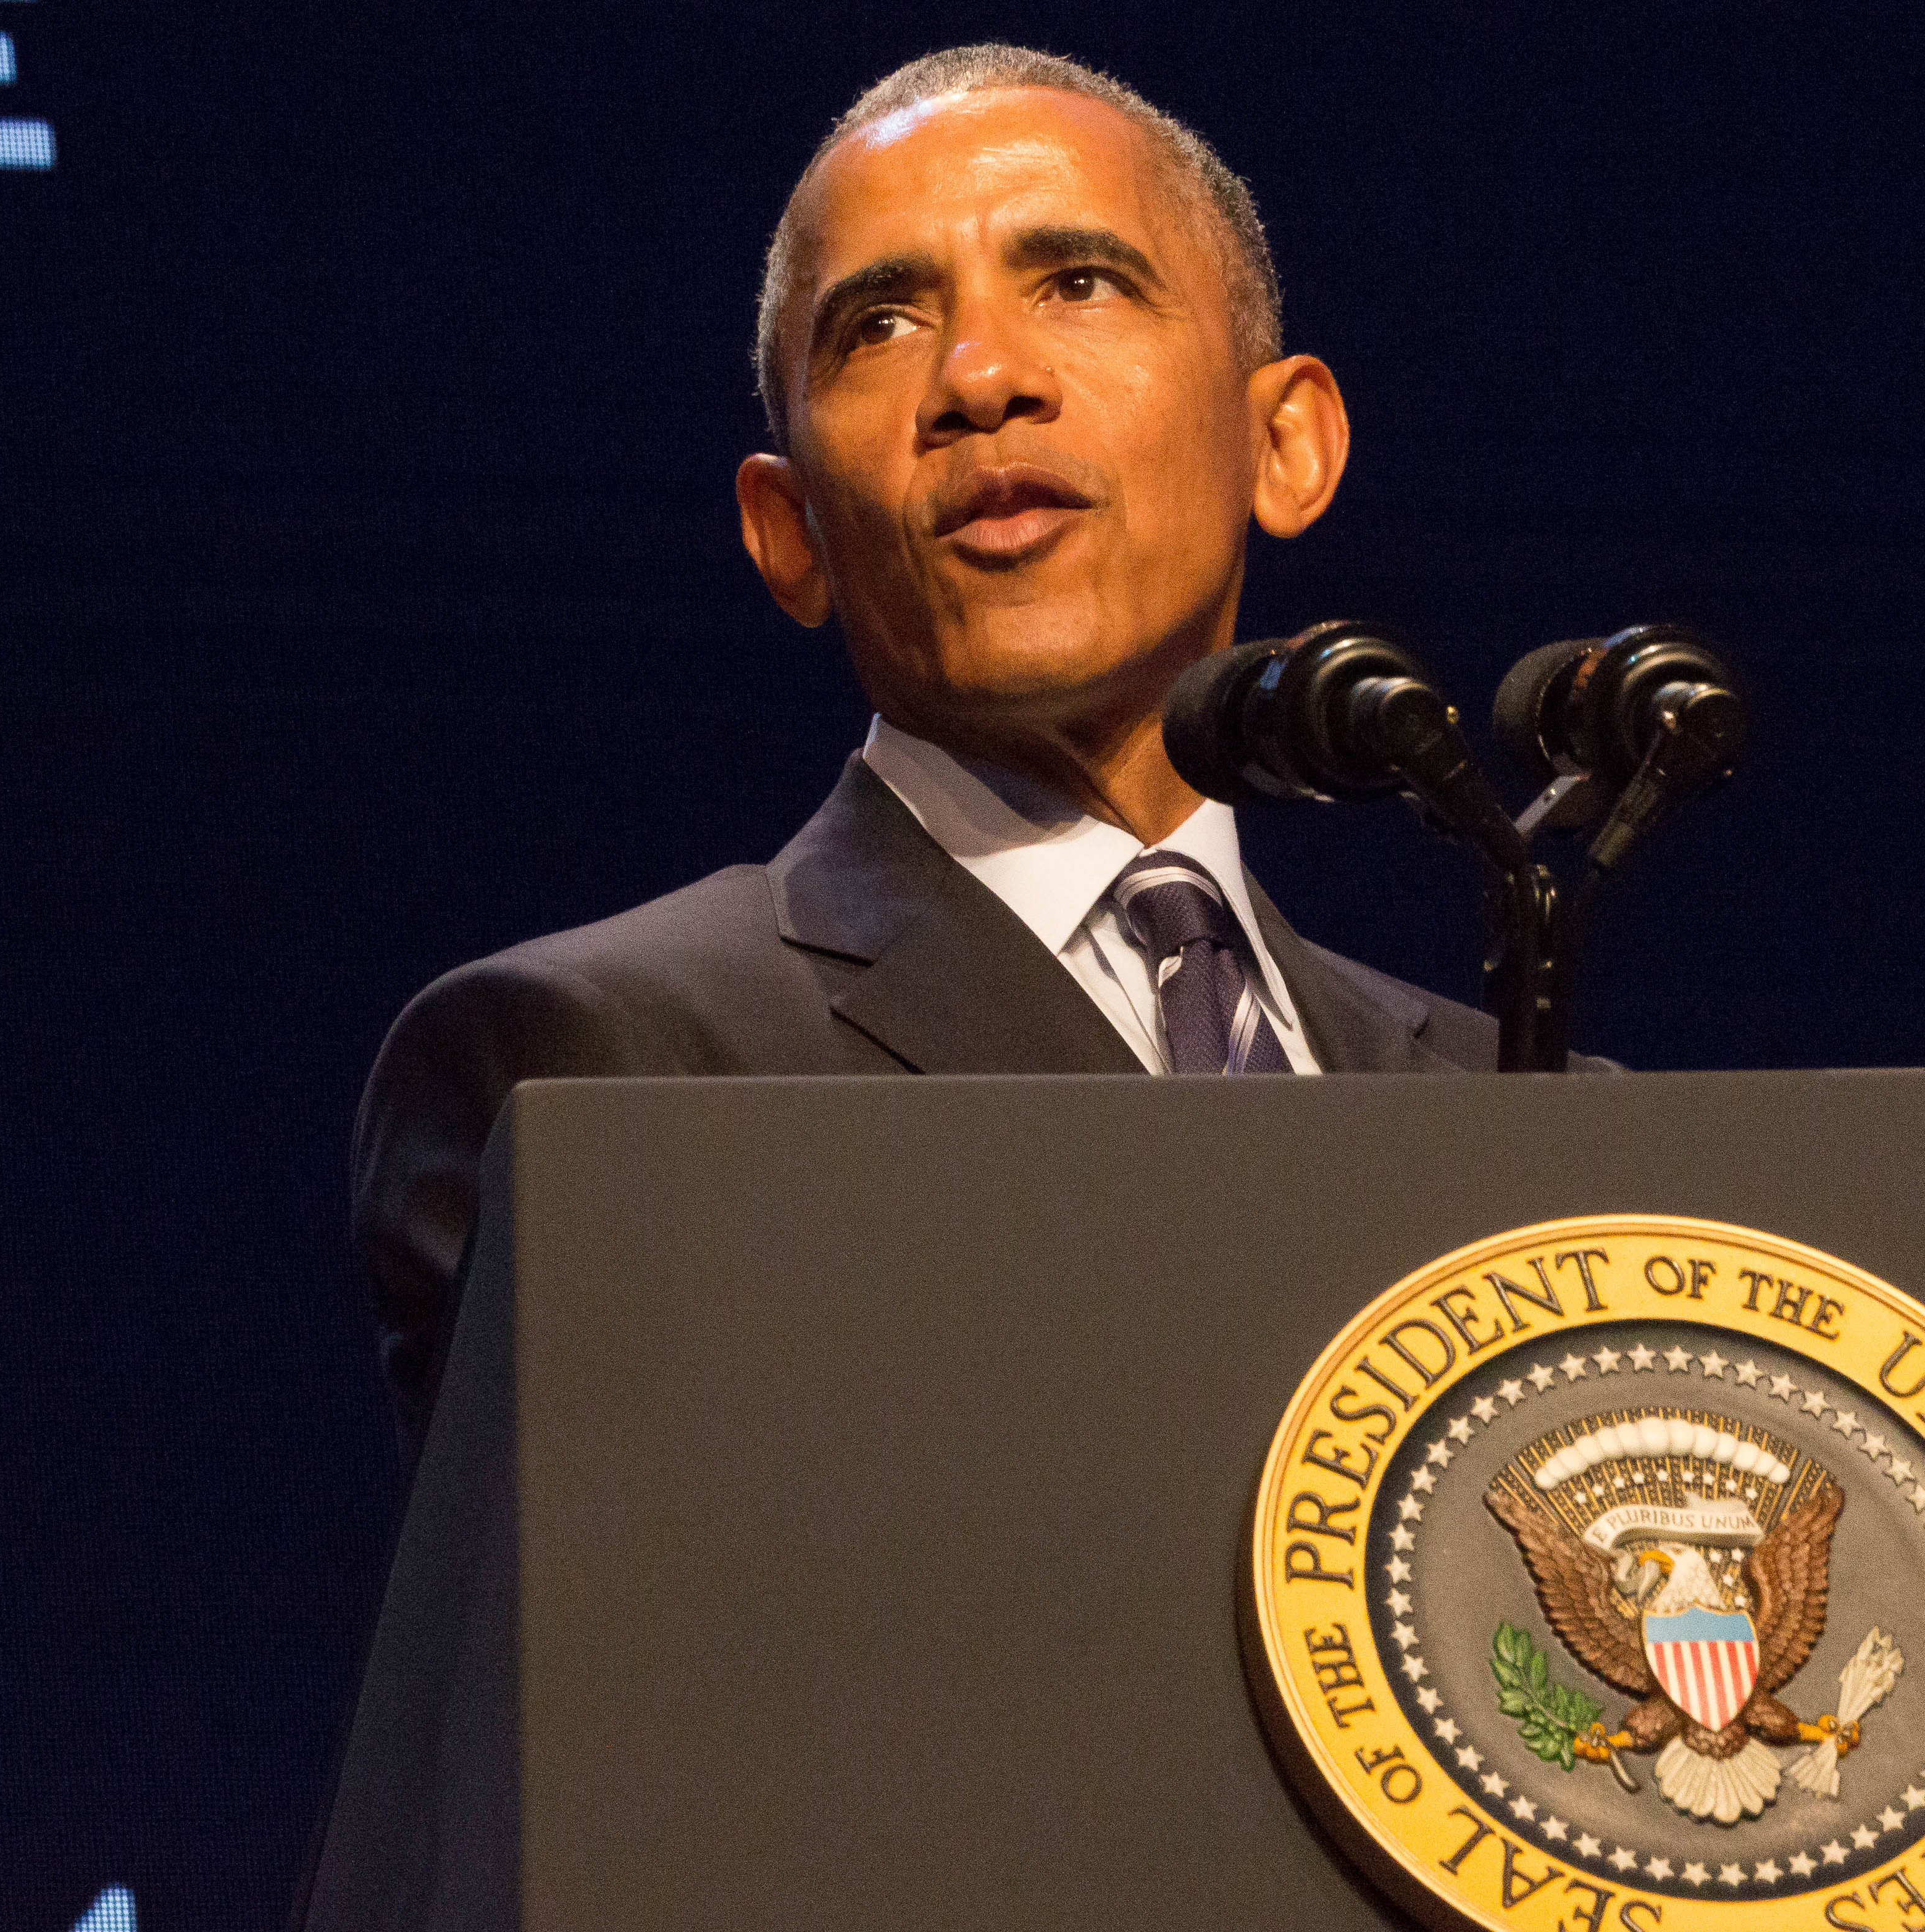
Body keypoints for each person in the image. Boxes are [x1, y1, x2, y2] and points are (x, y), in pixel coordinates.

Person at [351, 46, 1559, 1457]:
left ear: (1284, 442)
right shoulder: (600, 1068)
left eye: (1080, 284)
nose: (982, 379)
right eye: (878, 328)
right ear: (788, 532)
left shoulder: (1521, 1108)